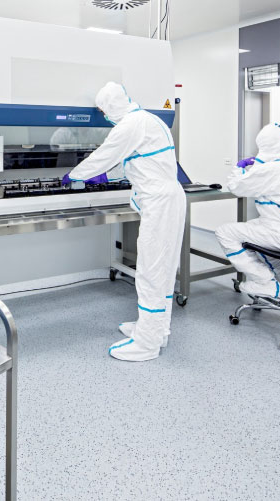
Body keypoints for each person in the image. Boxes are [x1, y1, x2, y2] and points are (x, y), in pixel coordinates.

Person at [65, 82, 186, 362]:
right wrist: (107, 177)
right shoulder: (148, 120)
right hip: (166, 198)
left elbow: (106, 155)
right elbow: (135, 159)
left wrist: (76, 175)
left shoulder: (130, 125)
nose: (103, 115)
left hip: (160, 202)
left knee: (151, 270)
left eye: (102, 109)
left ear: (110, 107)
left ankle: (147, 344)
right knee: (161, 269)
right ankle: (156, 330)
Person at [215, 123, 280, 297]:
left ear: (265, 146)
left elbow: (236, 187)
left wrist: (239, 168)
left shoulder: (271, 169)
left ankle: (264, 283)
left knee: (225, 232)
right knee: (254, 228)